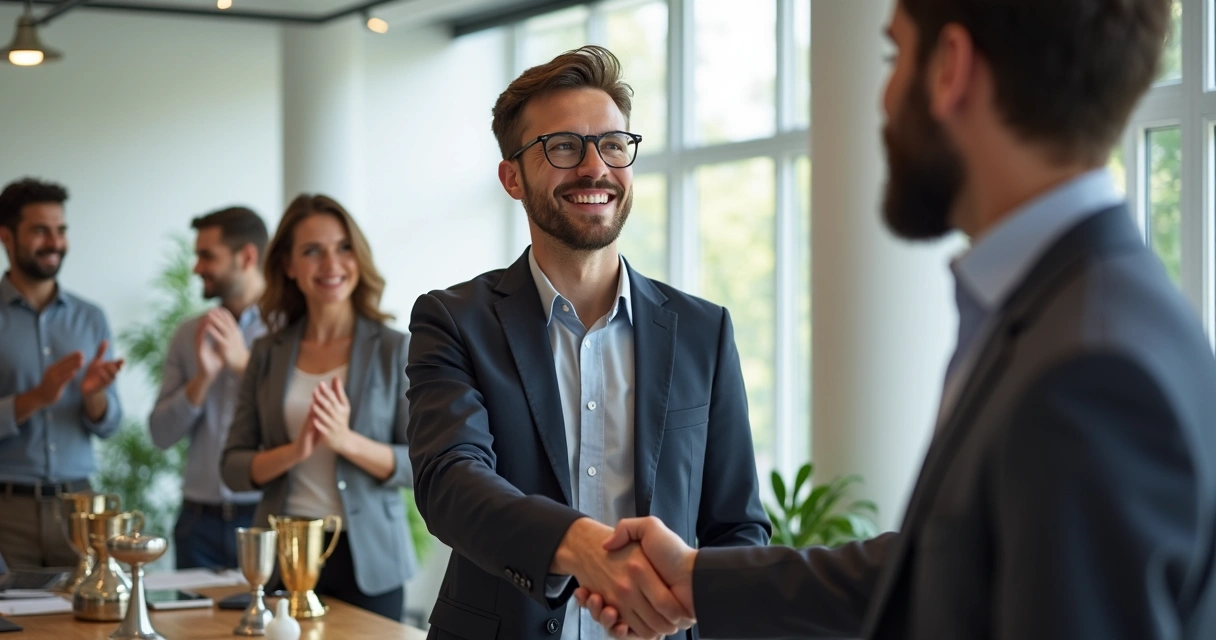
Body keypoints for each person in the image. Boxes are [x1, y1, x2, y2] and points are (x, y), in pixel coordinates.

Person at [575, 1, 1216, 639]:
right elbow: (943, 566)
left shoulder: (1087, 371)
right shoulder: (1076, 311)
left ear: (950, 69)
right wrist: (697, 577)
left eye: (895, 55)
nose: (882, 98)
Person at [406, 45, 769, 640]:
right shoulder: (453, 319)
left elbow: (737, 527)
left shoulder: (704, 330)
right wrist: (580, 548)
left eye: (613, 144)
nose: (594, 168)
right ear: (512, 177)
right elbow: (451, 481)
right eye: (563, 146)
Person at [221, 194, 416, 621]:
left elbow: (423, 464)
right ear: (288, 265)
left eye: (343, 247)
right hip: (283, 556)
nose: (331, 263)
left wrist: (345, 441)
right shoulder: (267, 353)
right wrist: (295, 450)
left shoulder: (394, 348)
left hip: (370, 562)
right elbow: (233, 468)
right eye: (312, 251)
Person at [0, 177, 124, 569]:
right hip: (7, 513)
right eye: (40, 231)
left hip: (81, 510)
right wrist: (36, 397)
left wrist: (94, 396)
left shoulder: (91, 318)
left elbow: (109, 424)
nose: (54, 242)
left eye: (61, 230)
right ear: (6, 236)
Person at [149, 207, 269, 570]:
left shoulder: (292, 330)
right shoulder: (189, 335)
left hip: (266, 521)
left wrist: (243, 365)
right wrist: (201, 380)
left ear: (246, 256)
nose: (196, 267)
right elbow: (160, 434)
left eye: (207, 256)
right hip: (196, 524)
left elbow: (302, 418)